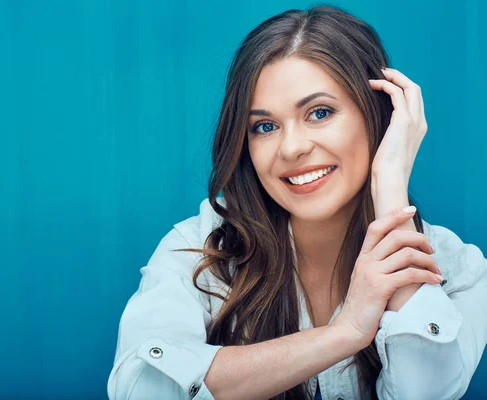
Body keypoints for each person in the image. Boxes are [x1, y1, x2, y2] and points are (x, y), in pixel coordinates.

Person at [107, 5, 487, 400]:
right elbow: (144, 389)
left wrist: (390, 183)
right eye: (265, 126)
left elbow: (422, 393)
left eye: (319, 113)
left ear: (380, 118)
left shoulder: (457, 271)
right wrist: (344, 334)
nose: (290, 148)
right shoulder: (199, 254)